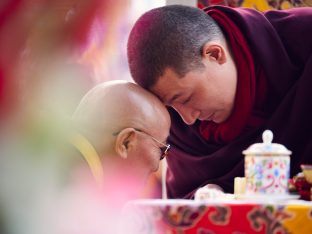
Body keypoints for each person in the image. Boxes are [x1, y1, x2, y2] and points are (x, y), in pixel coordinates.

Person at [127, 4, 312, 199]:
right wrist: (210, 192)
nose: (188, 119)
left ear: (215, 54)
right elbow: (182, 210)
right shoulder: (177, 124)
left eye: (186, 98)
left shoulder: (303, 38)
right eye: (172, 107)